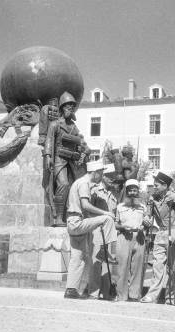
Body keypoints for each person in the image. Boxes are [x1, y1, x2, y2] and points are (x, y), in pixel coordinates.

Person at [64, 161, 118, 299]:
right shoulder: (84, 183)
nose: (101, 175)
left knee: (78, 257)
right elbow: (86, 205)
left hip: (74, 221)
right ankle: (105, 250)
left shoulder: (82, 183)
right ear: (94, 172)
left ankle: (71, 290)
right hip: (77, 221)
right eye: (100, 172)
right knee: (108, 219)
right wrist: (105, 213)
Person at [44, 91, 90, 226]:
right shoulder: (55, 124)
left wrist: (84, 150)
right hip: (59, 159)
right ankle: (58, 217)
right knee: (63, 184)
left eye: (72, 106)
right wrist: (47, 156)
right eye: (67, 106)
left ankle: (67, 214)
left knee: (73, 187)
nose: (70, 108)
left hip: (72, 161)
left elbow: (80, 144)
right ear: (62, 108)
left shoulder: (74, 128)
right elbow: (49, 140)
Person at [140, 172, 175, 304]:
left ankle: (172, 297)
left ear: (165, 185)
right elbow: (148, 214)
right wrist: (146, 218)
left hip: (173, 233)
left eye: (156, 185)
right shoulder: (153, 198)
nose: (154, 187)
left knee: (173, 267)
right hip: (160, 234)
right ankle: (152, 295)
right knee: (157, 265)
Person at [87, 163, 118, 300]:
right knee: (95, 262)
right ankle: (93, 292)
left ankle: (106, 293)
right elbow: (88, 210)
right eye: (109, 176)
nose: (112, 179)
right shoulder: (94, 191)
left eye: (113, 177)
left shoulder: (113, 196)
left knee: (108, 263)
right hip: (97, 231)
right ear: (103, 176)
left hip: (110, 233)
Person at [116, 179, 148, 301]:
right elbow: (115, 224)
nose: (133, 193)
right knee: (122, 267)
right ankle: (121, 295)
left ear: (138, 192)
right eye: (130, 190)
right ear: (127, 192)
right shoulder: (120, 207)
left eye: (135, 190)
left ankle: (134, 295)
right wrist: (123, 227)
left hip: (139, 237)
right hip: (124, 237)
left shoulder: (143, 207)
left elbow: (147, 223)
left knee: (137, 267)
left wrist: (144, 226)